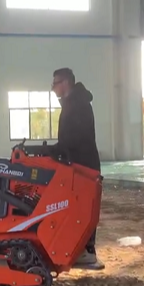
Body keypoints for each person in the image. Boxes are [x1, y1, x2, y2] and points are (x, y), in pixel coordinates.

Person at [50, 68, 105, 271]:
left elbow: (76, 137)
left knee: (84, 207)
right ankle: (80, 249)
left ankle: (87, 252)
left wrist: (56, 149)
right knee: (75, 206)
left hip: (84, 165)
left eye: (55, 83)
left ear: (65, 83)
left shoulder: (78, 104)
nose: (53, 88)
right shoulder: (73, 103)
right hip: (78, 163)